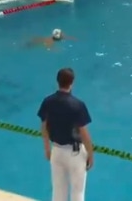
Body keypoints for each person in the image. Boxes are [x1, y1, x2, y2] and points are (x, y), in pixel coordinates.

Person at [38, 68, 94, 201]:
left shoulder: (48, 102)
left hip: (56, 151)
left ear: (57, 82)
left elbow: (44, 126)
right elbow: (84, 133)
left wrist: (47, 148)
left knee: (58, 194)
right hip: (75, 154)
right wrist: (91, 154)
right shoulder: (78, 105)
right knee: (77, 194)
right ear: (72, 83)